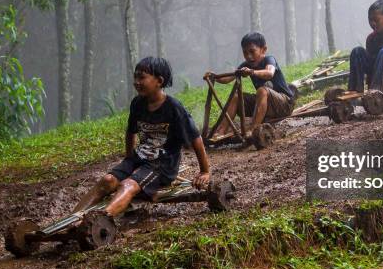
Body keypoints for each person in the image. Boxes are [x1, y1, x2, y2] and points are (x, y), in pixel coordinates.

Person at [73, 57, 210, 217]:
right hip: (139, 159)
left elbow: (196, 138)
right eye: (135, 77)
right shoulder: (137, 103)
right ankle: (72, 220)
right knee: (107, 181)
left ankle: (101, 220)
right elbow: (131, 131)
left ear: (159, 81)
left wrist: (205, 171)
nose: (137, 82)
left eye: (142, 77)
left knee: (128, 185)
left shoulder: (174, 108)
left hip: (161, 165)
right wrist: (129, 161)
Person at [206, 32, 295, 137]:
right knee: (236, 96)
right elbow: (228, 78)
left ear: (263, 49)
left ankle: (254, 130)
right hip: (267, 105)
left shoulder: (269, 59)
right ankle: (220, 131)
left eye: (252, 51)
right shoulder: (246, 65)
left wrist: (252, 72)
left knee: (262, 90)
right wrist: (215, 77)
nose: (248, 56)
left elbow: (269, 73)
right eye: (245, 53)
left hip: (284, 104)